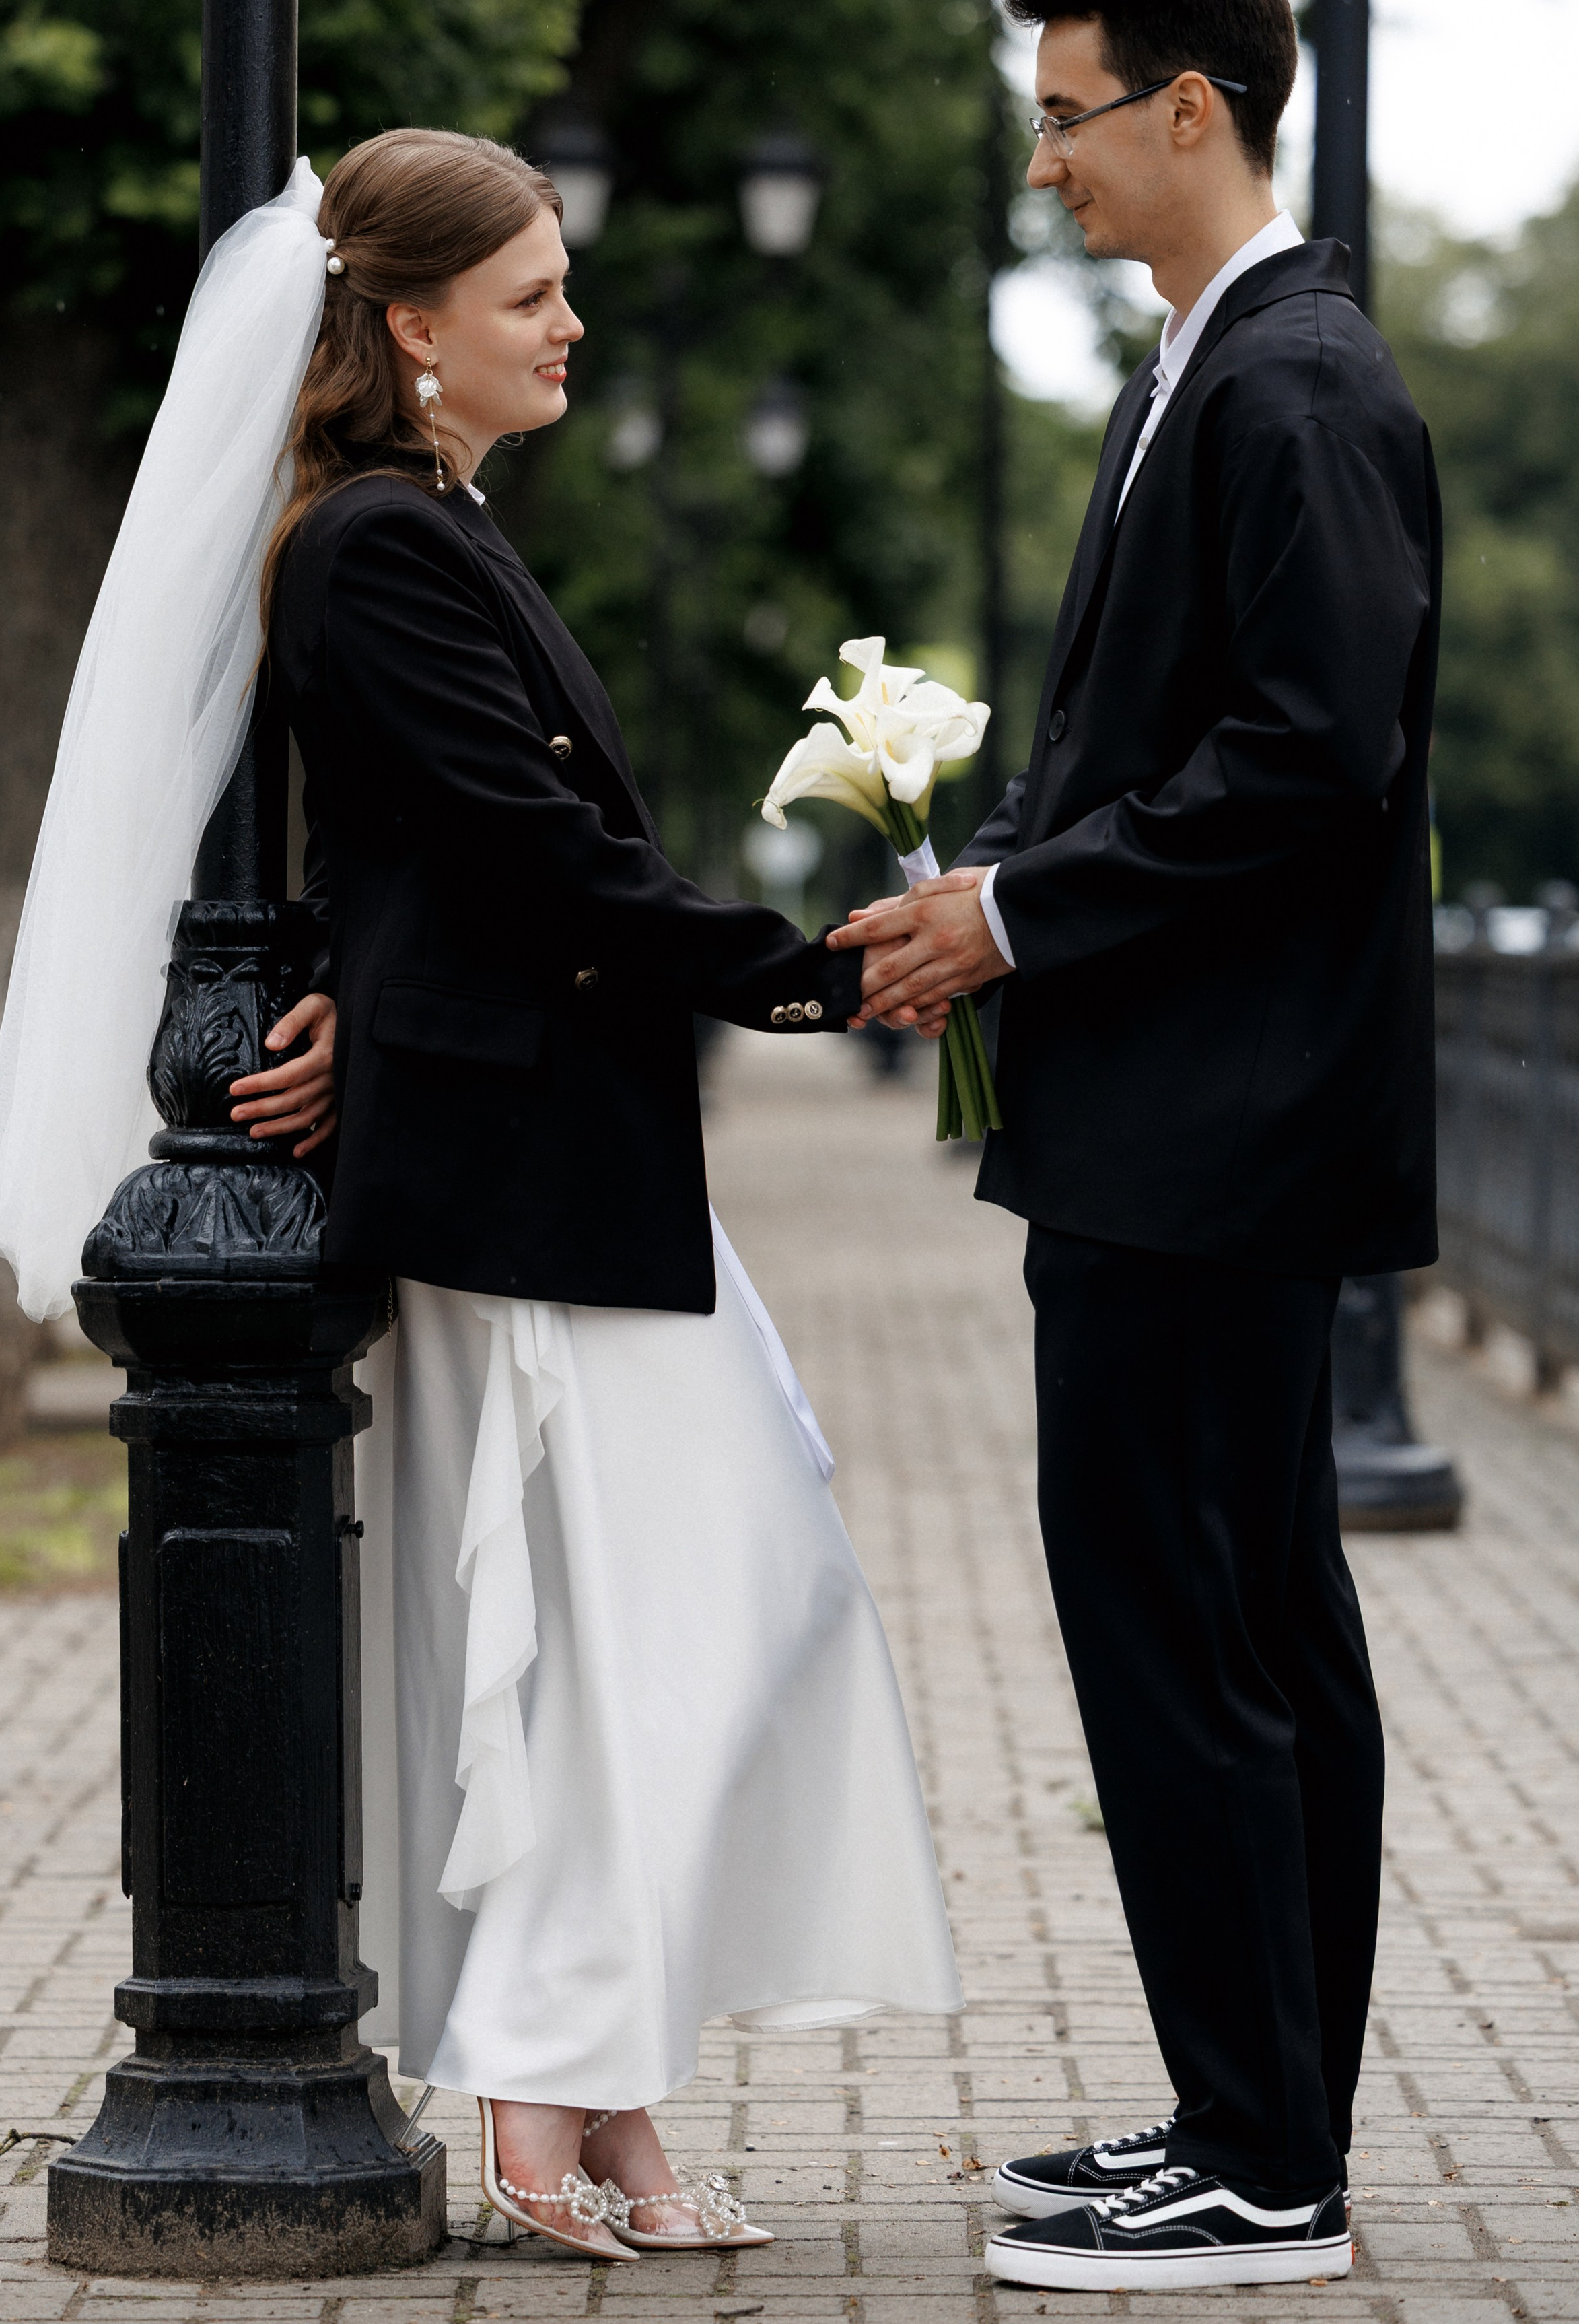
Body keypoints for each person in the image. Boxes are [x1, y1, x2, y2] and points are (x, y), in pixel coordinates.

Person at [229, 127, 963, 2259]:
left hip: (558, 1145)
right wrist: (816, 970)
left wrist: (379, 984)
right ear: (410, 325)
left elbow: (433, 856)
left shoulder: (436, 523)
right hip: (512, 1173)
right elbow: (520, 857)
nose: (573, 319)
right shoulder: (375, 543)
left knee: (671, 1612)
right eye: (534, 291)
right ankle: (551, 2088)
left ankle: (603, 2085)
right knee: (625, 1622)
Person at [834, 0, 1440, 2294]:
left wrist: (1019, 912)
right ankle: (1249, 2114)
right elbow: (1197, 753)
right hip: (1184, 1118)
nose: (1044, 165)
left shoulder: (1296, 381)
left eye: (1068, 116)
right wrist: (993, 885)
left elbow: (1313, 765)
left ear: (1193, 109)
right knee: (1246, 1623)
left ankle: (1266, 2165)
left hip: (1226, 1129)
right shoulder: (1199, 366)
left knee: (1192, 1632)